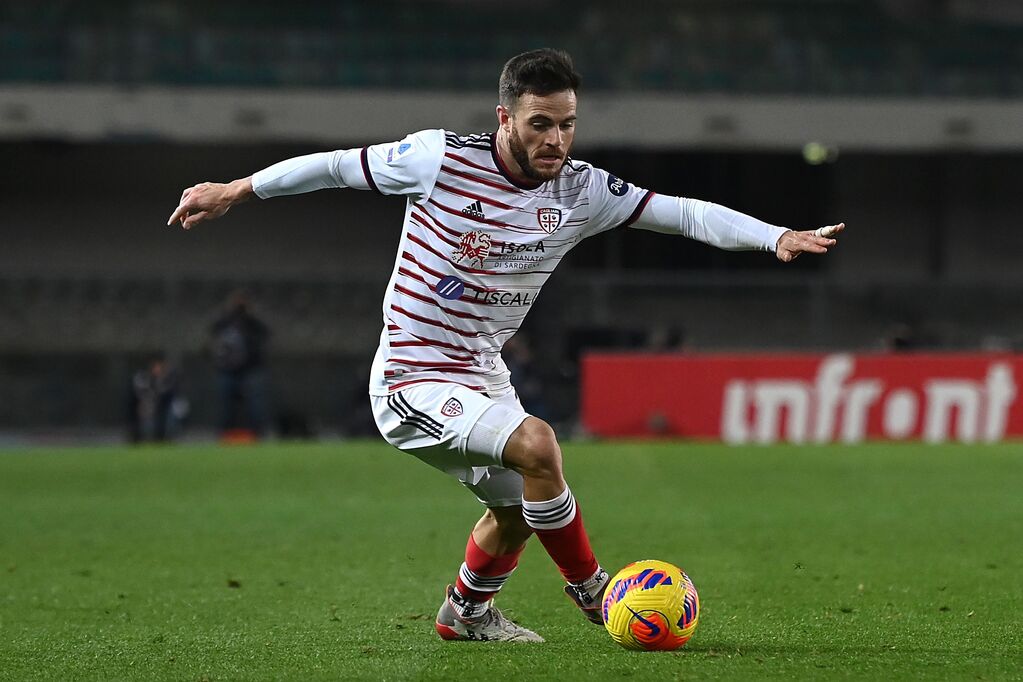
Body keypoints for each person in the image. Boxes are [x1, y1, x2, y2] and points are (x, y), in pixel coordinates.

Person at [168, 49, 844, 643]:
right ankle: (592, 590)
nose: (556, 139)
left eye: (567, 123)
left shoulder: (582, 190)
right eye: (540, 123)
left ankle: (465, 611)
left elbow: (684, 212)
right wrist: (235, 189)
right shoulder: (438, 160)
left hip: (480, 373)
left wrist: (772, 236)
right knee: (539, 447)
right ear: (504, 118)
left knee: (521, 506)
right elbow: (333, 167)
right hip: (409, 379)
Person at [209, 291, 271, 439]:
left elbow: (265, 332)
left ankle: (257, 434)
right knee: (226, 405)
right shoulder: (226, 322)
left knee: (255, 405)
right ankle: (224, 434)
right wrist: (228, 314)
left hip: (251, 369)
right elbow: (214, 329)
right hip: (228, 369)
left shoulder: (251, 323)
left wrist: (249, 315)